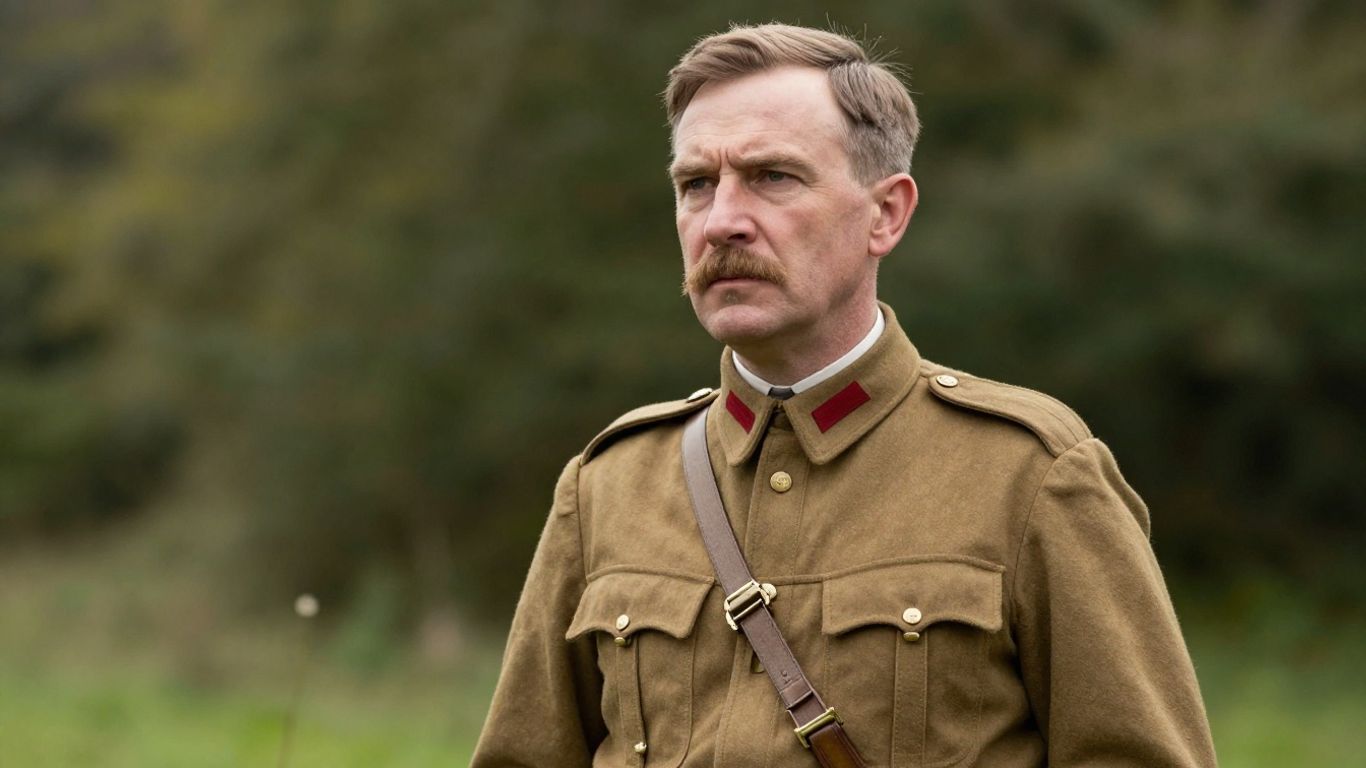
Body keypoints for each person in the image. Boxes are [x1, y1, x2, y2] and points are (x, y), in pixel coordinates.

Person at [472, 23, 1217, 768]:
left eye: (773, 177)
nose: (722, 220)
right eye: (696, 184)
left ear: (885, 214)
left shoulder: (1032, 473)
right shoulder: (606, 486)